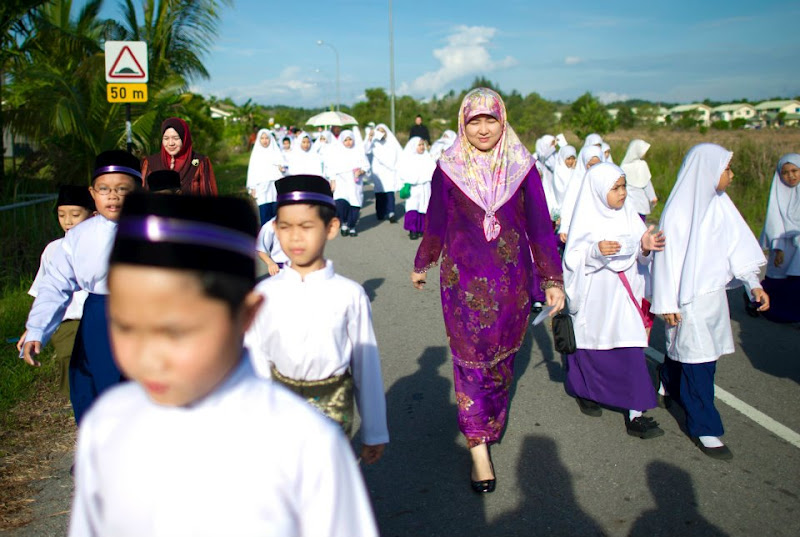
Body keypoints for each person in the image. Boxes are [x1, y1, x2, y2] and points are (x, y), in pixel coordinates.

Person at [69, 192, 379, 537]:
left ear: (246, 315)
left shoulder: (305, 443)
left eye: (177, 331)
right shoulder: (108, 423)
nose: (149, 356)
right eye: (125, 325)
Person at [410, 88, 565, 494]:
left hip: (513, 285)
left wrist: (551, 280)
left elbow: (540, 227)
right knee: (469, 359)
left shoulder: (522, 167)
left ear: (503, 121)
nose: (482, 128)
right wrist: (423, 260)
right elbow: (436, 220)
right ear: (463, 122)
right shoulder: (449, 168)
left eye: (490, 120)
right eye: (474, 120)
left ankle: (489, 420)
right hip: (462, 283)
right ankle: (477, 442)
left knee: (500, 362)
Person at [246, 175, 389, 463]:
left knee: (328, 490)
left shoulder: (350, 295)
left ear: (331, 227)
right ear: (274, 229)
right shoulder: (264, 293)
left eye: (307, 226)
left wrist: (374, 430)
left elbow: (366, 365)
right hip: (277, 411)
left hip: (332, 411)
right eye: (285, 227)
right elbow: (254, 362)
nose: (295, 237)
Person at [651, 143, 769, 460]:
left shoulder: (720, 205)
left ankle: (668, 380)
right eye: (726, 169)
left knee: (693, 353)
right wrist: (666, 302)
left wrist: (753, 284)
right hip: (685, 299)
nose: (731, 175)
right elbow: (665, 262)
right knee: (699, 361)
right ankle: (705, 425)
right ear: (708, 171)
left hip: (712, 297)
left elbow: (737, 247)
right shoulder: (677, 211)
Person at [21, 150, 141, 424]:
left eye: (123, 189)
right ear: (92, 192)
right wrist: (38, 328)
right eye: (104, 189)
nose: (113, 196)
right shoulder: (79, 237)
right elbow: (54, 284)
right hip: (98, 316)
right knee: (88, 385)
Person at [562, 163, 666, 438]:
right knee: (591, 347)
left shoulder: (629, 214)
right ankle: (586, 391)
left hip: (623, 297)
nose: (622, 193)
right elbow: (572, 260)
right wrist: (595, 252)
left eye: (624, 187)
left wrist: (645, 246)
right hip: (595, 298)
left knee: (631, 349)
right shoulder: (586, 217)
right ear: (598, 190)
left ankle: (636, 412)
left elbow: (640, 254)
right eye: (615, 188)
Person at [17, 185, 95, 397]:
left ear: (93, 215)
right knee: (70, 361)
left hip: (98, 318)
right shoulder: (53, 250)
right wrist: (34, 328)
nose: (68, 221)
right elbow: (45, 293)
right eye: (62, 215)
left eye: (75, 214)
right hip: (67, 322)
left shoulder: (104, 245)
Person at [757, 153, 800, 323]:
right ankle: (759, 301)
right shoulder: (777, 193)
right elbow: (774, 221)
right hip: (782, 243)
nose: (791, 176)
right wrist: (778, 246)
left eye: (795, 170)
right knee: (779, 279)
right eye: (785, 172)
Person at [141, 117, 217, 196]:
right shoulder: (150, 163)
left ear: (184, 138)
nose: (171, 143)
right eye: (166, 138)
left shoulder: (199, 162)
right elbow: (142, 195)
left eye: (176, 138)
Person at [325, 130, 370, 237]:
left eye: (350, 139)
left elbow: (366, 166)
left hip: (355, 184)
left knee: (355, 206)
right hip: (341, 183)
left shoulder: (358, 151)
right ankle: (344, 223)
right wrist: (332, 181)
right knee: (341, 205)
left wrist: (361, 171)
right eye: (346, 140)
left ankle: (352, 226)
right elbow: (331, 168)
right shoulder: (336, 153)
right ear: (342, 141)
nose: (348, 142)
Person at [558, 145, 604, 243]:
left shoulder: (605, 181)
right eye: (591, 165)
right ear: (583, 164)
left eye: (598, 164)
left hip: (601, 227)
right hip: (580, 227)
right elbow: (568, 205)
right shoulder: (577, 182)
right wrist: (564, 227)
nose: (595, 168)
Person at [398, 137, 436, 240]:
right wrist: (412, 179)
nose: (422, 147)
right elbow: (403, 172)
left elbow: (432, 170)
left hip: (425, 187)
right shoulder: (408, 158)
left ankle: (422, 229)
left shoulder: (427, 157)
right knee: (413, 207)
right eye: (419, 145)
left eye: (423, 145)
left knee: (424, 207)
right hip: (414, 188)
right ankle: (412, 230)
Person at [247, 128, 286, 224]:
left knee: (276, 212)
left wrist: (282, 168)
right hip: (262, 187)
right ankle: (265, 236)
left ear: (270, 139)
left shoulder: (275, 151)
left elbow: (283, 166)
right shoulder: (256, 154)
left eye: (267, 138)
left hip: (274, 186)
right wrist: (252, 187)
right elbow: (252, 171)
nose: (265, 140)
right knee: (264, 213)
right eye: (262, 138)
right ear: (259, 140)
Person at [365, 124, 402, 223]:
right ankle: (380, 212)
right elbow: (366, 150)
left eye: (383, 131)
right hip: (378, 171)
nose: (381, 133)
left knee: (389, 192)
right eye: (379, 131)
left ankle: (391, 212)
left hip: (389, 171)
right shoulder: (374, 142)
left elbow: (398, 155)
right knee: (380, 193)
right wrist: (369, 137)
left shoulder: (391, 142)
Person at [620, 139, 658, 222]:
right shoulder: (642, 165)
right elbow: (647, 183)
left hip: (628, 203)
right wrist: (652, 197)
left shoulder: (623, 166)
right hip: (640, 203)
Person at [535, 135, 559, 220]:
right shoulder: (536, 158)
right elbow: (543, 157)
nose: (553, 146)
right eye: (551, 143)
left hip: (551, 184)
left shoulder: (554, 155)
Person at [552, 145, 577, 214]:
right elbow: (565, 189)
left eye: (573, 159)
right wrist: (573, 171)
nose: (571, 161)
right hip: (561, 207)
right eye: (568, 159)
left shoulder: (575, 170)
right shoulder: (559, 171)